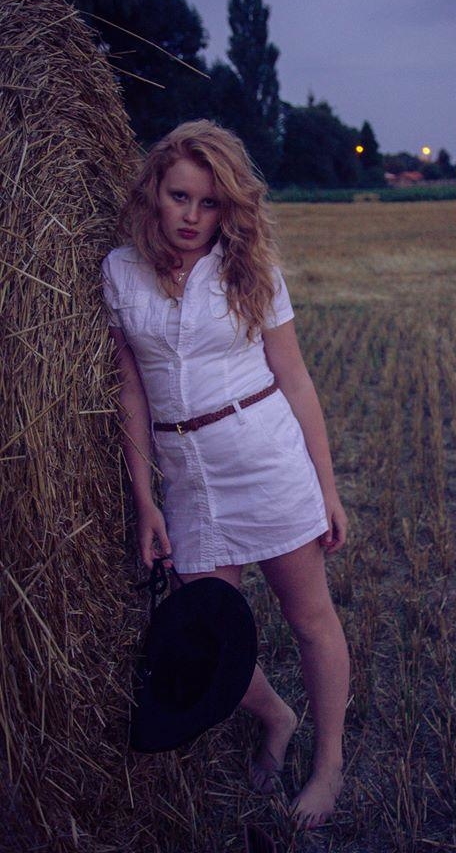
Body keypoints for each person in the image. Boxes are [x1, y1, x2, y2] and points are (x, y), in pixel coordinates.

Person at [101, 119, 349, 829]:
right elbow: (130, 389)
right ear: (154, 191)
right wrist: (145, 500)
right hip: (187, 477)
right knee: (201, 630)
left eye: (209, 203)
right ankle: (277, 716)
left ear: (229, 207)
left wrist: (327, 489)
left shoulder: (251, 271)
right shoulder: (120, 271)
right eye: (179, 196)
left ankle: (328, 764)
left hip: (263, 458)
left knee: (310, 620)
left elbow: (295, 379)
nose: (192, 216)